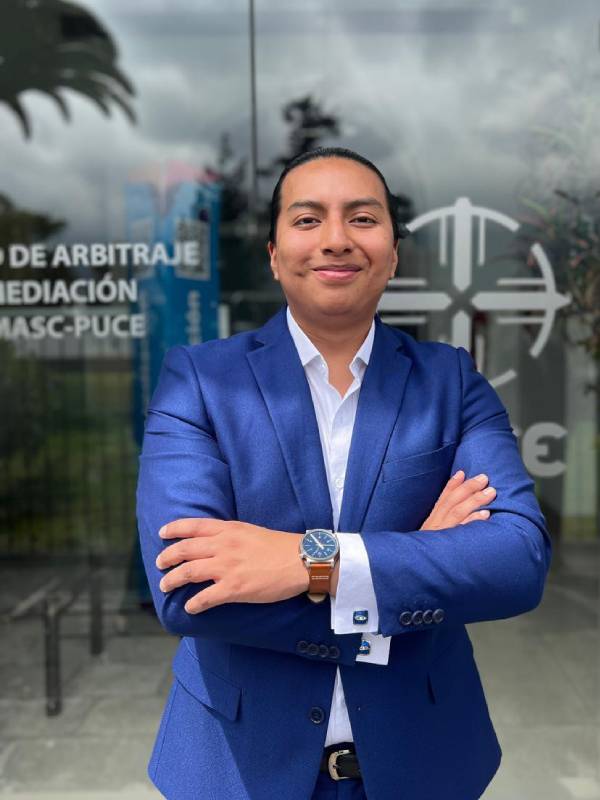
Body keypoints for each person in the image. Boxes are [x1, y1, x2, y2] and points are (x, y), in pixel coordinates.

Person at [136, 146, 552, 800]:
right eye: (308, 220)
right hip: (239, 766)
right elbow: (185, 591)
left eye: (362, 218)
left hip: (425, 760)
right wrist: (416, 562)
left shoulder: (451, 381)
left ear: (393, 253)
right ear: (274, 255)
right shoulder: (199, 381)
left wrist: (311, 563)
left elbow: (516, 560)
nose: (336, 239)